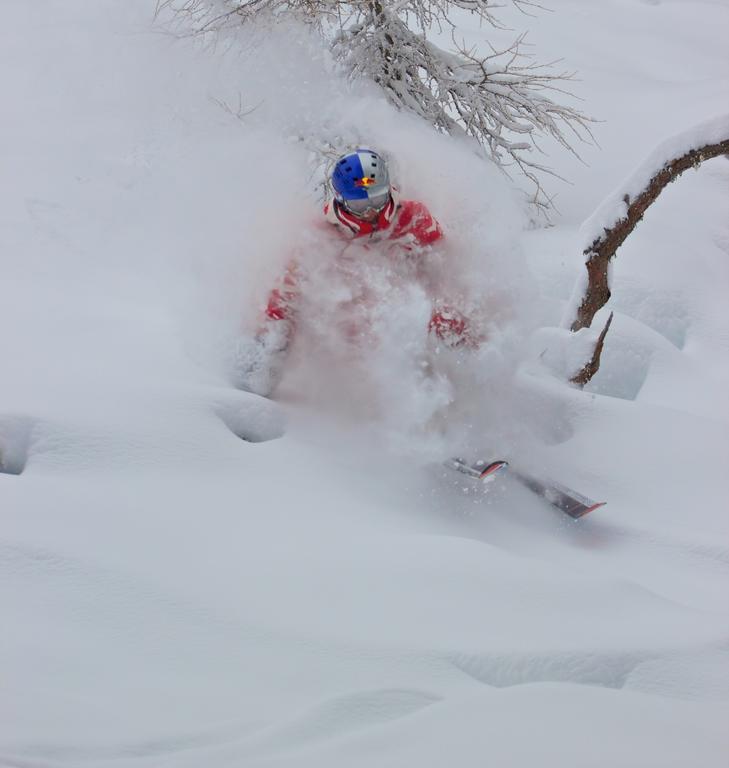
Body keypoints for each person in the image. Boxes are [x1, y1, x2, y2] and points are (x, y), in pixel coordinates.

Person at [235, 148, 477, 397]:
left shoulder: (413, 217)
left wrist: (451, 314)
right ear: (341, 199)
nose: (371, 210)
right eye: (360, 204)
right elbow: (286, 294)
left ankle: (468, 382)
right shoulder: (321, 235)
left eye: (378, 198)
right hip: (353, 335)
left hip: (413, 315)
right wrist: (270, 343)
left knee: (448, 318)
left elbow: (445, 265)